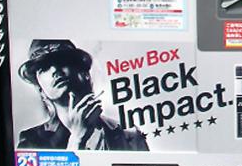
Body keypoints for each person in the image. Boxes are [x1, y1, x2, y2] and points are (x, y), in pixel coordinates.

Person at [17, 39, 148, 151]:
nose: (55, 70)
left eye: (62, 61)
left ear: (85, 73)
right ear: (41, 89)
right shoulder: (32, 141)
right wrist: (77, 138)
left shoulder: (129, 134)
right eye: (44, 67)